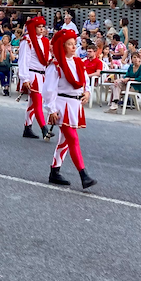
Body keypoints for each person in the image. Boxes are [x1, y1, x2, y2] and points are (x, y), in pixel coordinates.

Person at [42, 29, 96, 190]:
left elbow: (85, 81)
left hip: (75, 104)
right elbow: (49, 90)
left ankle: (55, 170)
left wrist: (87, 92)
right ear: (62, 46)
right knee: (72, 138)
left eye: (74, 44)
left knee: (65, 140)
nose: (74, 47)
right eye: (70, 44)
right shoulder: (56, 65)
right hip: (62, 104)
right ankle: (83, 174)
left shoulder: (78, 62)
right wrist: (51, 109)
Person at [18, 16, 53, 139]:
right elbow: (23, 60)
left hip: (42, 74)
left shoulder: (44, 40)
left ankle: (28, 127)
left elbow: (47, 59)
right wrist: (25, 78)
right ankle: (44, 128)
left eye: (43, 27)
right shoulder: (26, 40)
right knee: (37, 102)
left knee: (33, 103)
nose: (42, 29)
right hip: (32, 74)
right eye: (39, 27)